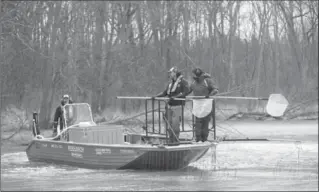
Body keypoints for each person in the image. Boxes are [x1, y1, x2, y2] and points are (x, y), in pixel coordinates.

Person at [154, 66, 190, 143]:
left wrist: (176, 97)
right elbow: (165, 93)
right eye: (169, 73)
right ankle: (171, 140)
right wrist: (156, 96)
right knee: (169, 124)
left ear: (175, 73)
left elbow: (186, 92)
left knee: (175, 125)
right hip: (169, 106)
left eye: (171, 73)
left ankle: (176, 140)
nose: (170, 74)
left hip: (178, 106)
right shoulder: (170, 83)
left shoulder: (183, 82)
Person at [189, 67, 218, 142]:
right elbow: (188, 90)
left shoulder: (207, 81)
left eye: (198, 76)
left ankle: (204, 139)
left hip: (206, 105)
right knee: (198, 123)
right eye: (195, 75)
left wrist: (209, 95)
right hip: (197, 106)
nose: (196, 77)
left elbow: (215, 90)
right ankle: (198, 139)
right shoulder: (193, 83)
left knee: (205, 122)